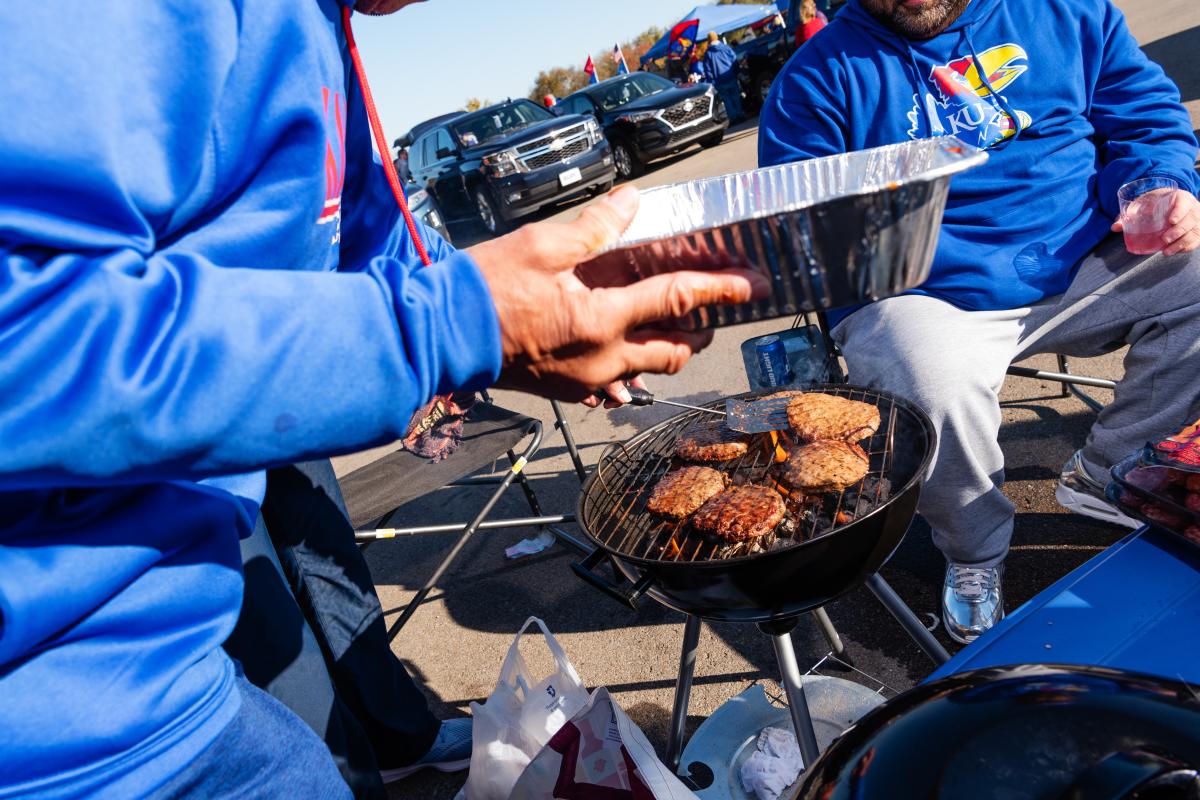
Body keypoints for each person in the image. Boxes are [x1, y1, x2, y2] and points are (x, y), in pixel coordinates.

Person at [0, 2, 769, 798]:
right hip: (53, 722)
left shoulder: (321, 33)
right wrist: (456, 328)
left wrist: (568, 294)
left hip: (160, 662)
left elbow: (379, 249)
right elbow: (22, 332)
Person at [760, 0, 1200, 642]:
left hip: (1086, 256)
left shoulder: (1068, 13)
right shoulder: (815, 78)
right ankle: (974, 553)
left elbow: (1143, 116)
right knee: (924, 374)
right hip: (931, 293)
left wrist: (1155, 184)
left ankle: (1106, 475)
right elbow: (802, 233)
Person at [702, 30, 745, 122]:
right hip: (730, 76)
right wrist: (737, 72)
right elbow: (734, 61)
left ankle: (733, 118)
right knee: (735, 97)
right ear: (716, 37)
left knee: (727, 100)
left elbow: (708, 70)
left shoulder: (708, 54)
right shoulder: (726, 48)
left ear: (709, 40)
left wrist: (711, 82)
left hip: (719, 81)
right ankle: (740, 114)